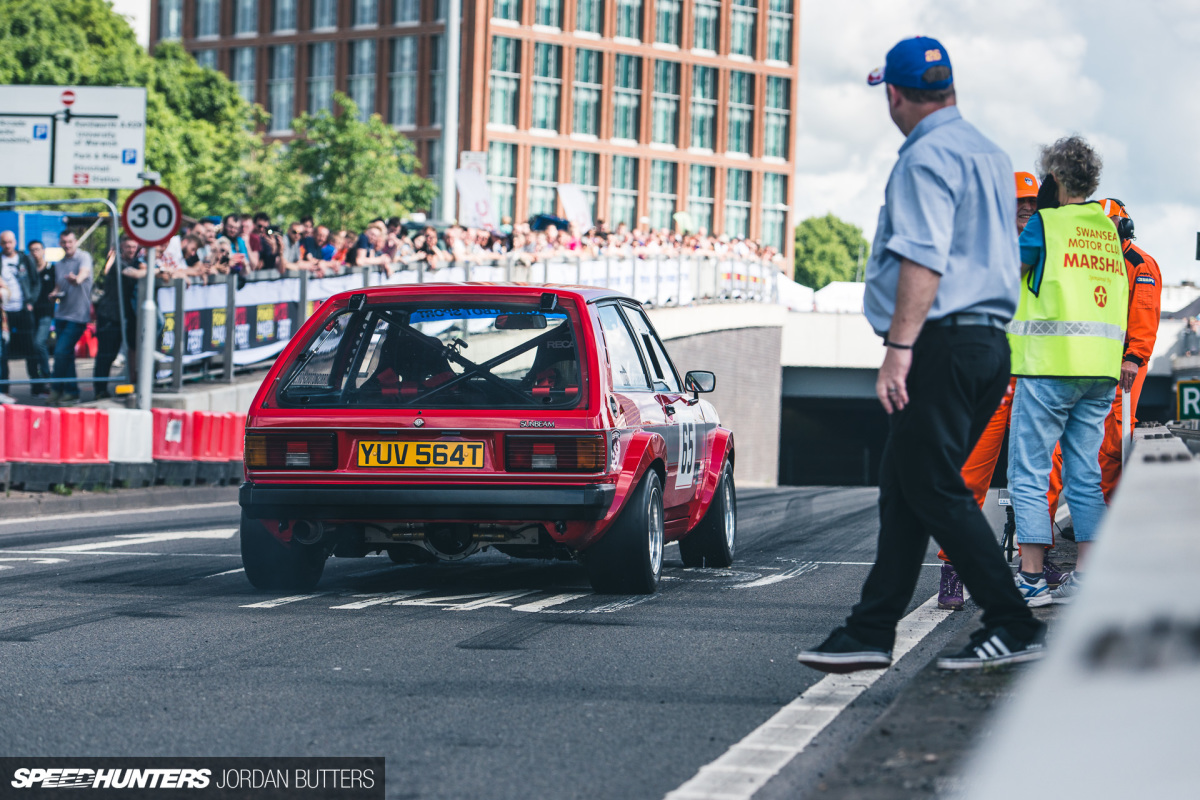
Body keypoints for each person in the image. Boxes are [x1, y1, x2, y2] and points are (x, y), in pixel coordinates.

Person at [796, 36, 1044, 672]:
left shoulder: (924, 156)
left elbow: (923, 255)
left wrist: (899, 349)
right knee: (904, 488)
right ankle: (872, 628)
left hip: (940, 339)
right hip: (988, 341)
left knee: (931, 485)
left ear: (896, 95)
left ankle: (1012, 620)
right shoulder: (991, 154)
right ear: (951, 89)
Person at [1006, 136, 1128, 607]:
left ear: (1052, 180)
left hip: (1050, 365)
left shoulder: (1044, 225)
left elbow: (1004, 272)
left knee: (1030, 471)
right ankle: (1085, 574)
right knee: (1085, 474)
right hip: (1099, 371)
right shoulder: (1106, 229)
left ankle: (1033, 578)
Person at [937, 171, 1045, 611]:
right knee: (968, 478)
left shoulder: (1048, 249)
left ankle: (1034, 563)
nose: (1025, 208)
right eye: (1018, 201)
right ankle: (952, 568)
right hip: (989, 379)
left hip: (1037, 377)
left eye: (1033, 202)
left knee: (1040, 478)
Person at [1042, 198, 1162, 593]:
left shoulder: (1139, 266)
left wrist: (1133, 358)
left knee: (1112, 445)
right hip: (1086, 364)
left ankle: (1107, 536)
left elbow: (1143, 319)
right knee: (1059, 451)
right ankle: (1040, 542)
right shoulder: (1092, 261)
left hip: (1123, 369)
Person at [93, 237, 143, 400]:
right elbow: (132, 274)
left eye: (134, 247)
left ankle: (127, 384)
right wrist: (157, 271)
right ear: (121, 247)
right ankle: (100, 389)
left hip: (125, 314)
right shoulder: (118, 263)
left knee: (130, 351)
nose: (131, 250)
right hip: (110, 315)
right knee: (107, 354)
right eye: (128, 246)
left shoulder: (135, 261)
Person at [50, 231, 93, 406]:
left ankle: (58, 389)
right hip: (61, 314)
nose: (67, 245)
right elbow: (58, 286)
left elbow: (83, 274)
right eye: (64, 242)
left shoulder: (84, 257)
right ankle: (69, 392)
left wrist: (77, 279)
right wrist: (53, 295)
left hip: (78, 316)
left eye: (69, 241)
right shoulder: (59, 264)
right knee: (65, 355)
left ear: (75, 242)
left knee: (61, 352)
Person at [0, 230, 39, 390]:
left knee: (30, 348)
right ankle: (4, 390)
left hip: (23, 310)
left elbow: (36, 282)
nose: (7, 245)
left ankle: (36, 387)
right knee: (3, 352)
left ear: (15, 242)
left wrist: (31, 302)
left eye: (10, 242)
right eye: (4, 242)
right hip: (4, 314)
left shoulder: (24, 259)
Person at [29, 240, 55, 396]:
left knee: (39, 343)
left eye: (37, 249)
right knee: (31, 348)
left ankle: (46, 378)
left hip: (45, 313)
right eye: (32, 250)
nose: (35, 253)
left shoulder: (51, 269)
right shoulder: (29, 271)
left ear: (43, 250)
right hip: (31, 314)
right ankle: (36, 383)